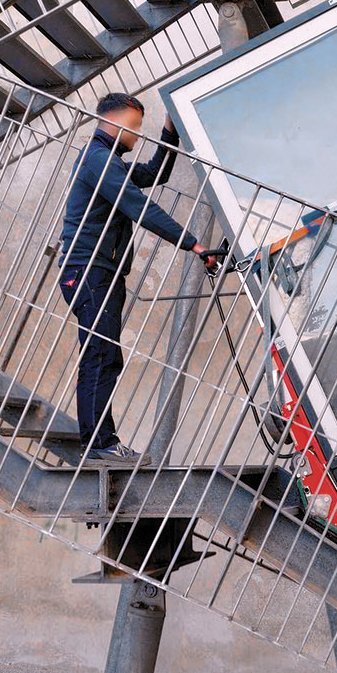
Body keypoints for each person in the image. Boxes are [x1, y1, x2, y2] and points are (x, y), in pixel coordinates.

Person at [57, 92, 221, 463]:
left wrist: (168, 132)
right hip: (89, 271)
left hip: (98, 272)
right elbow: (140, 206)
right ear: (112, 122)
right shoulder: (98, 160)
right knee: (101, 355)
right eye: (133, 128)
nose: (136, 136)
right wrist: (193, 245)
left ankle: (100, 441)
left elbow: (154, 174)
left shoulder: (106, 161)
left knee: (104, 354)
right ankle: (99, 444)